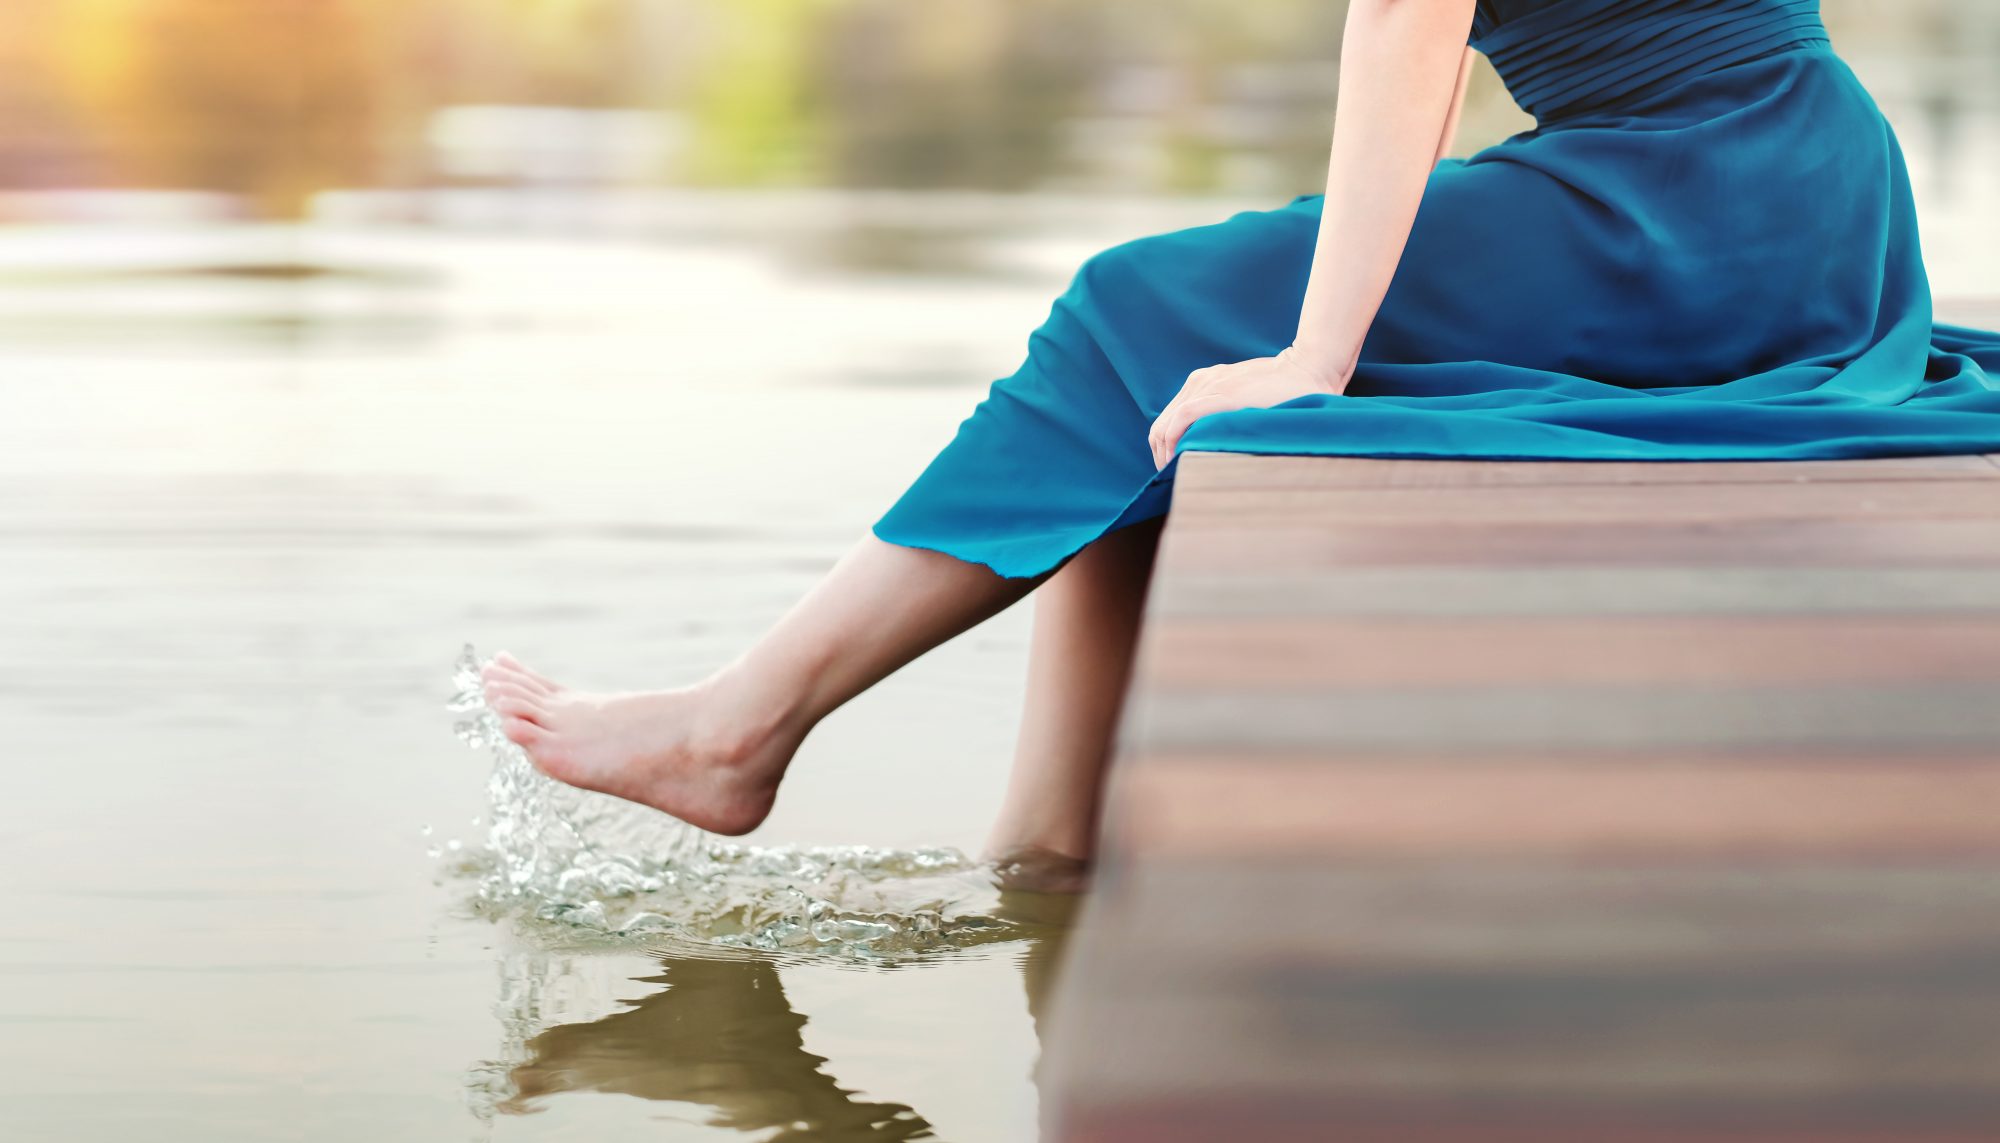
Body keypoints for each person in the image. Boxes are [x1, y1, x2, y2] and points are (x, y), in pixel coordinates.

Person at [479, 0, 2000, 877]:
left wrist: (1315, 354)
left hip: (1703, 203)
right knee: (1169, 336)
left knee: (1154, 309)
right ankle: (1047, 842)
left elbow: (1410, 17)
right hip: (1781, 194)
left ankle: (743, 730)